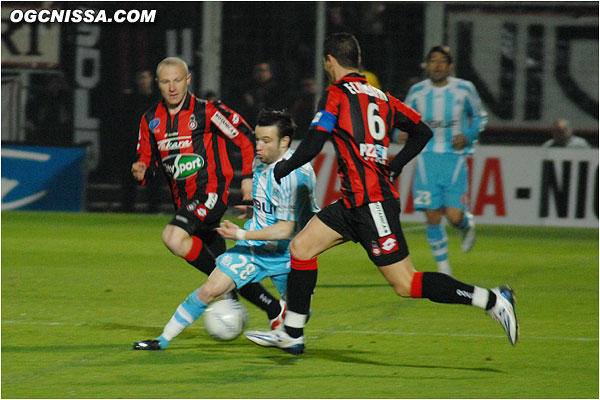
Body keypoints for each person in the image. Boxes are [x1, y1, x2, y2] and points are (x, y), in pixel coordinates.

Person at [244, 33, 518, 355]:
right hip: (352, 201)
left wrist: (281, 169)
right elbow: (423, 131)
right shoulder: (383, 96)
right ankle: (292, 332)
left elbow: (316, 142)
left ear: (329, 61)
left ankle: (493, 300)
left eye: (325, 63)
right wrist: (395, 165)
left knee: (406, 283)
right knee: (301, 248)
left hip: (372, 204)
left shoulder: (336, 94)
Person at [133, 109, 320, 350]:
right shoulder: (261, 161)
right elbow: (268, 202)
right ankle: (162, 340)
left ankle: (289, 332)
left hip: (290, 254)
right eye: (257, 140)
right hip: (255, 250)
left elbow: (285, 229)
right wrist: (251, 207)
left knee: (301, 314)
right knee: (211, 287)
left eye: (266, 141)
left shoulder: (296, 174)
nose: (258, 147)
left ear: (284, 142)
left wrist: (239, 234)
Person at [131, 57, 284, 328]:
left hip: (210, 194)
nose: (172, 87)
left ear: (188, 80)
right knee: (223, 270)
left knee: (173, 238)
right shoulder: (150, 120)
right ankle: (274, 309)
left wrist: (248, 178)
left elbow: (247, 139)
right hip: (184, 202)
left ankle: (240, 295)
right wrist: (143, 171)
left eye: (178, 80)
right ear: (158, 84)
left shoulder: (209, 112)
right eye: (166, 82)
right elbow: (150, 164)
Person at [398, 45, 488, 276]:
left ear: (450, 66)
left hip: (455, 159)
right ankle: (444, 270)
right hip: (427, 159)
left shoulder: (464, 89)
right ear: (427, 66)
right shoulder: (418, 91)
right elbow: (404, 119)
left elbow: (479, 116)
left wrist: (467, 136)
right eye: (432, 61)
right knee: (432, 215)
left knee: (454, 216)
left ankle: (466, 225)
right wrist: (400, 132)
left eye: (441, 61)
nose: (436, 65)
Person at [120, 69, 162, 213]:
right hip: (133, 144)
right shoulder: (130, 100)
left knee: (154, 179)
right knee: (129, 177)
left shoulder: (159, 100)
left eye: (145, 77)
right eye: (140, 78)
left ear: (151, 79)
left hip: (153, 145)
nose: (143, 81)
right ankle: (127, 209)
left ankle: (153, 210)